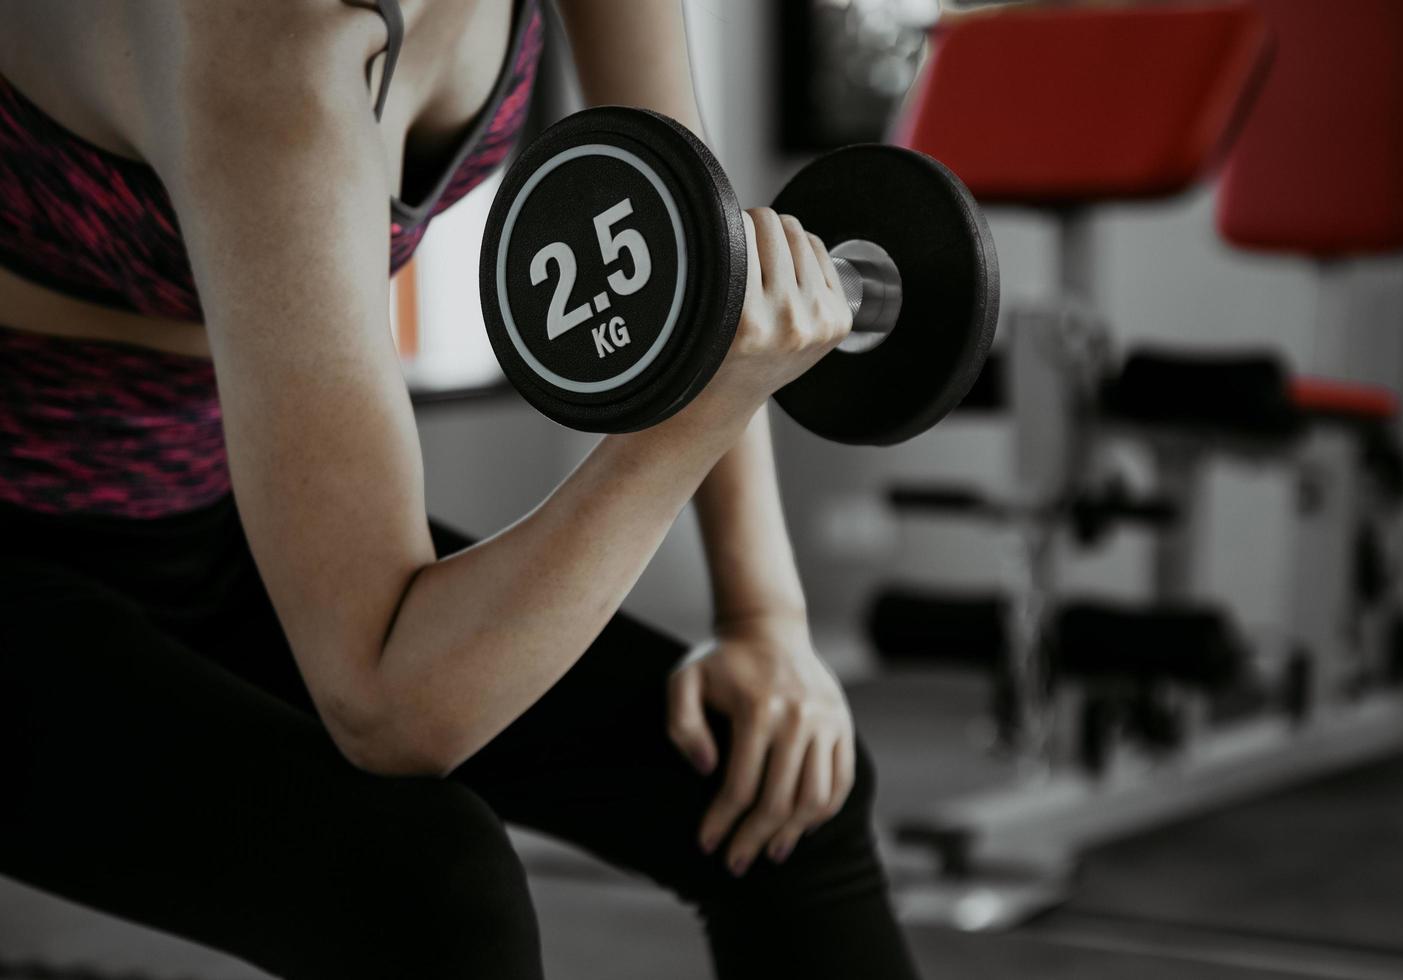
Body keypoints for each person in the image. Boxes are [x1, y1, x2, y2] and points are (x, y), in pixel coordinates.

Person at [0, 1, 922, 976]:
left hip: (221, 512)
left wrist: (765, 620)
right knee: (431, 893)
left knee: (784, 784)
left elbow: (701, 245)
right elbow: (389, 702)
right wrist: (690, 422)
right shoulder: (271, 34)